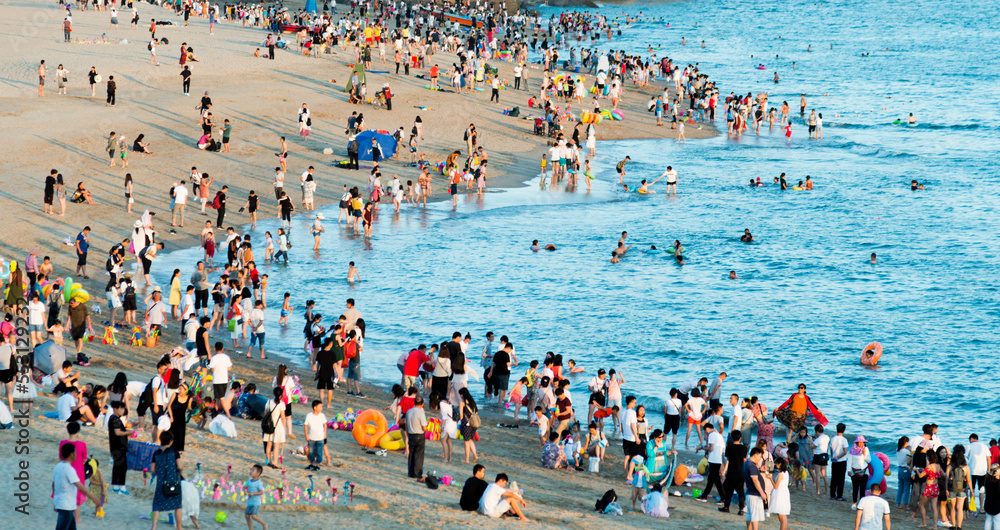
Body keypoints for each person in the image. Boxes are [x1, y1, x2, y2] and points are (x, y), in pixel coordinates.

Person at [53, 443, 103, 530]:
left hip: (64, 504)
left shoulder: (58, 466)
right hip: (66, 506)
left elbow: (54, 485)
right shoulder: (69, 469)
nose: (76, 454)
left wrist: (55, 502)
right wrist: (93, 498)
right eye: (75, 452)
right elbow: (80, 486)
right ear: (71, 454)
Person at [150, 431, 183, 530]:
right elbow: (180, 466)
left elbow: (152, 470)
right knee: (177, 505)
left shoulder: (156, 453)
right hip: (174, 481)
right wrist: (179, 473)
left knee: (157, 505)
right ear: (171, 441)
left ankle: (154, 527)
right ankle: (179, 527)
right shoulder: (174, 451)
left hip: (161, 482)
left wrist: (160, 472)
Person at [107, 400, 133, 495]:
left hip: (115, 446)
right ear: (115, 409)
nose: (123, 410)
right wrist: (129, 432)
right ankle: (122, 487)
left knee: (117, 466)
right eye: (121, 408)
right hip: (119, 447)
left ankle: (115, 486)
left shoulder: (113, 418)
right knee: (122, 467)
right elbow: (117, 432)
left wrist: (132, 425)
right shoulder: (115, 419)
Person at [719, 430, 748, 514]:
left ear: (731, 437)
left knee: (729, 491)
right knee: (740, 492)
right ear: (740, 438)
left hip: (731, 472)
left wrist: (724, 471)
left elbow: (728, 460)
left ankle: (726, 507)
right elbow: (744, 460)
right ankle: (741, 509)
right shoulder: (744, 448)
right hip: (740, 472)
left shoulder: (729, 447)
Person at [697, 422, 726, 503]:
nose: (705, 434)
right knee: (711, 480)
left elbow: (711, 449)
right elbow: (722, 448)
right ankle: (704, 496)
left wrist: (702, 448)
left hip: (713, 460)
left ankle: (723, 498)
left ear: (707, 429)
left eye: (705, 432)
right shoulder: (719, 435)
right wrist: (703, 447)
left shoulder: (711, 435)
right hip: (718, 459)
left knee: (716, 481)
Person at [745, 446, 769, 530]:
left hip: (749, 493)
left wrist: (759, 471)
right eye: (759, 456)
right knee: (755, 517)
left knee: (749, 515)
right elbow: (755, 481)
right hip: (754, 494)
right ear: (755, 455)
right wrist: (762, 493)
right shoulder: (752, 466)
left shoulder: (747, 463)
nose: (760, 459)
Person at [405, 396, 428, 481]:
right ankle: (417, 474)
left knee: (411, 454)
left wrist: (407, 434)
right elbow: (424, 427)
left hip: (411, 434)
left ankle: (410, 473)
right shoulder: (421, 413)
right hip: (419, 435)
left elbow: (406, 425)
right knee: (419, 455)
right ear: (422, 404)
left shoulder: (409, 411)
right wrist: (427, 431)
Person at [304, 400, 327, 471]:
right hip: (311, 437)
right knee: (311, 452)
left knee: (319, 452)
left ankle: (317, 465)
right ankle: (311, 464)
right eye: (320, 407)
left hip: (320, 438)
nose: (321, 408)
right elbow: (305, 425)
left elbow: (325, 424)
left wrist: (324, 433)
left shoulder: (322, 416)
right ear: (315, 407)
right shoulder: (309, 415)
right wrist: (306, 435)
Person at [244, 464, 267, 530]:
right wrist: (245, 491)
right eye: (251, 469)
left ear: (257, 473)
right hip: (250, 502)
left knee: (253, 516)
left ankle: (264, 524)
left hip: (256, 503)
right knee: (247, 516)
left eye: (253, 470)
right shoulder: (249, 481)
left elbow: (261, 492)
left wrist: (253, 493)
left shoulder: (258, 482)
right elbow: (245, 487)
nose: (251, 471)